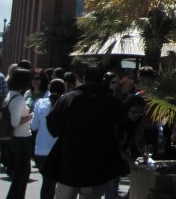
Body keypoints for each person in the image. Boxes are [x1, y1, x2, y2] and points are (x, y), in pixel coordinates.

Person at [43, 66, 127, 199]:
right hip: (97, 163)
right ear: (102, 80)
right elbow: (122, 131)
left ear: (83, 79)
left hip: (69, 161)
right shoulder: (112, 102)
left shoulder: (67, 99)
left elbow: (53, 127)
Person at [31, 78, 66, 199]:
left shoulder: (40, 104)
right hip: (58, 150)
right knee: (54, 184)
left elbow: (33, 126)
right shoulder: (66, 104)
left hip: (41, 150)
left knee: (47, 182)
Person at [5, 67, 33, 199]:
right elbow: (15, 122)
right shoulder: (18, 99)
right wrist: (31, 116)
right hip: (21, 139)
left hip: (17, 138)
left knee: (22, 174)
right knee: (22, 174)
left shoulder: (11, 95)